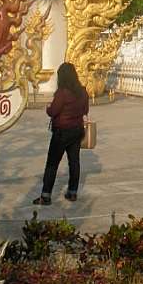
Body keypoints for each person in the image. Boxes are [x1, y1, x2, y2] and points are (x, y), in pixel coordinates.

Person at [33, 62, 89, 205]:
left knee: (52, 164)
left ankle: (46, 195)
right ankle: (72, 192)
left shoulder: (62, 93)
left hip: (62, 132)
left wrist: (48, 108)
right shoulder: (82, 91)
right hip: (77, 131)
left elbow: (53, 112)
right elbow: (85, 110)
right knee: (74, 162)